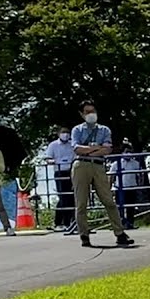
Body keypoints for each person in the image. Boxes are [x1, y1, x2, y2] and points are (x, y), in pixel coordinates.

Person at [70, 103, 133, 247]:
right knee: (81, 203)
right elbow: (77, 149)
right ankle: (84, 235)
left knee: (109, 201)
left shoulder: (104, 130)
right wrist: (96, 148)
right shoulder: (77, 130)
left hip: (98, 165)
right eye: (87, 112)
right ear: (82, 114)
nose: (91, 114)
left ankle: (119, 233)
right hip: (81, 165)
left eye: (93, 110)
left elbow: (107, 149)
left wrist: (91, 149)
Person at [44, 126, 75, 230]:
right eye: (63, 132)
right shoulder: (53, 145)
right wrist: (55, 162)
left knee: (72, 197)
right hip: (60, 172)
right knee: (63, 197)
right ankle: (59, 222)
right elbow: (48, 158)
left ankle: (70, 221)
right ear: (58, 134)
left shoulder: (72, 144)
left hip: (71, 172)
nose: (65, 134)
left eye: (67, 132)